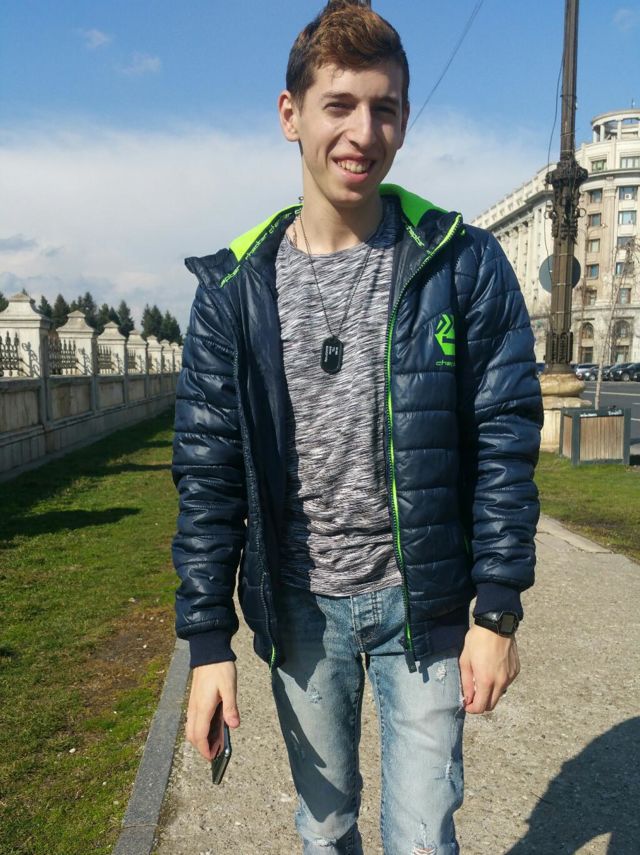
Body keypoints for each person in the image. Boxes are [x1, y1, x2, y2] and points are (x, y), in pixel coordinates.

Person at [171, 1, 542, 852]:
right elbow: (207, 471)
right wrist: (207, 642)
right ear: (290, 114)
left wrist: (496, 611)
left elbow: (506, 438)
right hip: (301, 608)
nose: (363, 133)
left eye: (385, 108)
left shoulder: (461, 263)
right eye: (339, 105)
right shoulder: (233, 290)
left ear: (404, 119)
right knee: (326, 825)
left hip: (426, 601)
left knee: (422, 836)